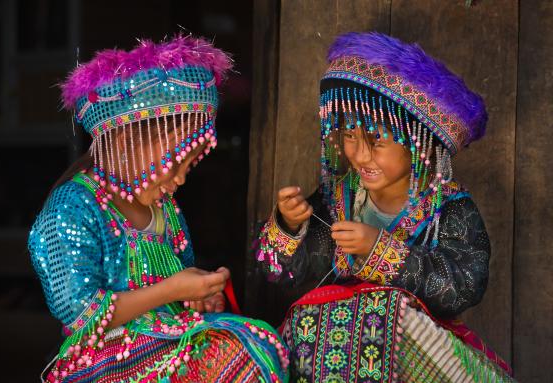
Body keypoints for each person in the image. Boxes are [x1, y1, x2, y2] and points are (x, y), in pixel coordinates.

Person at [256, 32, 515, 383]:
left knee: (381, 318)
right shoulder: (338, 195)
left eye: (376, 139)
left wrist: (379, 249)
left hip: (416, 352)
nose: (360, 155)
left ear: (416, 140)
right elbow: (281, 275)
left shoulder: (449, 207)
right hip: (337, 346)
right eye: (350, 135)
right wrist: (289, 225)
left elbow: (464, 287)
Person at [29, 35, 289, 383]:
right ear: (125, 142)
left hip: (170, 338)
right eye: (175, 162)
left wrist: (198, 298)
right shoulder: (72, 206)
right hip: (104, 359)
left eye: (189, 165)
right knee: (235, 352)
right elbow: (81, 315)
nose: (181, 179)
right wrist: (173, 291)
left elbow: (181, 283)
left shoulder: (165, 209)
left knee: (258, 344)